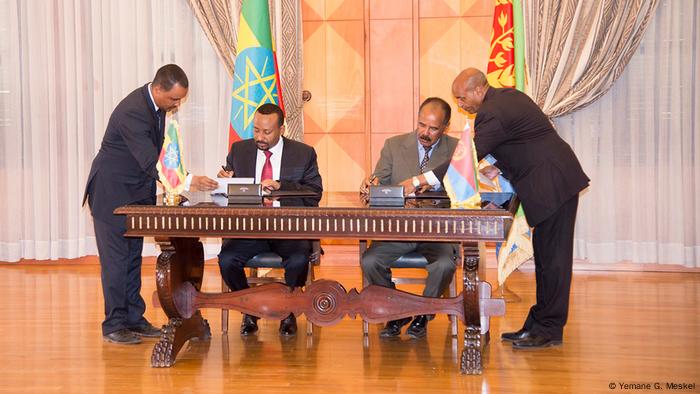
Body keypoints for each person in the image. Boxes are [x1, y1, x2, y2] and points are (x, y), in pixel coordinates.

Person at [408, 68, 590, 349]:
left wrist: (421, 179)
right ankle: (540, 324)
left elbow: (466, 156)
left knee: (553, 261)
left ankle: (548, 329)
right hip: (553, 182)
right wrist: (499, 166)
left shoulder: (492, 111)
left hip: (552, 185)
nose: (460, 105)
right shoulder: (508, 98)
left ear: (478, 90)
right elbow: (522, 142)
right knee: (546, 258)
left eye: (461, 98)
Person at [83, 64, 219, 345]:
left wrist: (177, 182)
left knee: (132, 259)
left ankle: (134, 318)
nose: (177, 104)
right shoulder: (133, 110)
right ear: (158, 89)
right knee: (116, 264)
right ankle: (114, 325)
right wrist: (188, 180)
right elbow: (150, 162)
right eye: (173, 99)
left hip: (135, 196)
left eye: (180, 99)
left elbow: (160, 158)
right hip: (113, 194)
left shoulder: (155, 107)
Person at [217, 103, 323, 337]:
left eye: (267, 132)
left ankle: (287, 311)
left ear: (281, 129)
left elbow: (314, 192)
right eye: (256, 130)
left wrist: (281, 187)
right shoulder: (239, 150)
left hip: (287, 228)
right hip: (250, 228)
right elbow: (226, 191)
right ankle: (250, 308)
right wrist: (224, 181)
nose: (260, 137)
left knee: (297, 259)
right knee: (226, 260)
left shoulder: (303, 153)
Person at [359, 97, 459, 339]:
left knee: (445, 264)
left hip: (437, 230)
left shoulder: (457, 148)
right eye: (421, 124)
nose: (425, 132)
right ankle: (395, 313)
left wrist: (433, 189)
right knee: (370, 260)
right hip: (399, 228)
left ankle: (423, 314)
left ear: (445, 127)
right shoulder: (393, 145)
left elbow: (463, 191)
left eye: (433, 128)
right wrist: (368, 184)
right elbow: (379, 180)